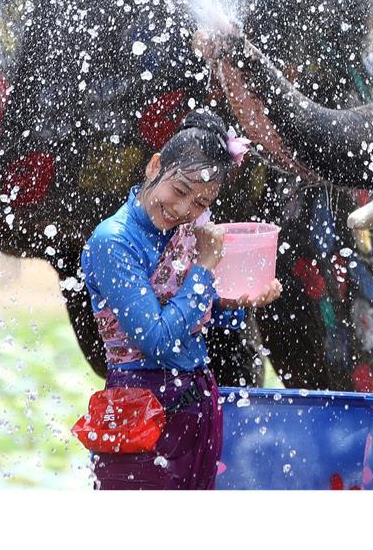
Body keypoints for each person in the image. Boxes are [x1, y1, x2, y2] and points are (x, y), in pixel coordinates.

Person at [80, 109, 281, 489]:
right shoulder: (114, 242)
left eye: (201, 203)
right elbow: (156, 339)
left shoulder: (188, 230)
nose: (184, 210)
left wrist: (236, 302)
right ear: (155, 166)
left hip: (197, 406)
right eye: (180, 190)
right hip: (137, 413)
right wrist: (205, 270)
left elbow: (193, 319)